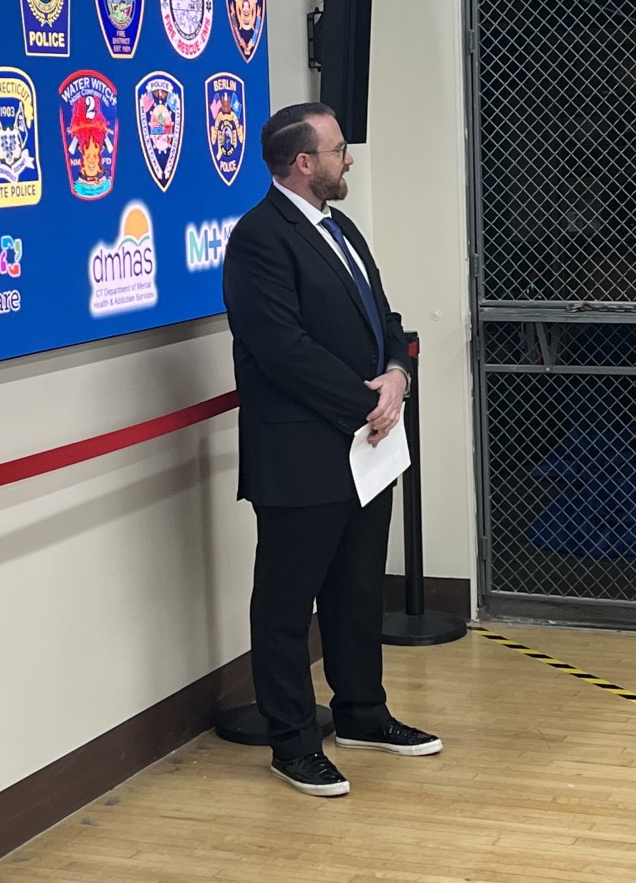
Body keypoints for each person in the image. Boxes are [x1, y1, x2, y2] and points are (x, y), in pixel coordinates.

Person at [222, 102, 442, 797]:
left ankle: (363, 714)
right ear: (302, 162)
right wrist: (366, 402)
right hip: (303, 452)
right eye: (338, 149)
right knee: (286, 605)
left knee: (357, 590)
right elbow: (282, 349)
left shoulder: (340, 227)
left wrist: (398, 374)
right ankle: (292, 742)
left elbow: (383, 318)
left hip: (367, 450)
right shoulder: (259, 238)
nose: (349, 159)